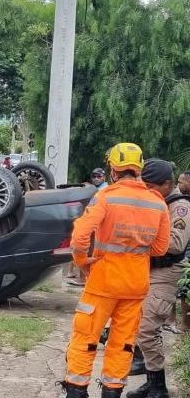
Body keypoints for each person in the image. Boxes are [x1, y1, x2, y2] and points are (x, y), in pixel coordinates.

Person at [61, 143, 170, 398]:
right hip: (136, 285)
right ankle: (112, 392)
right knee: (122, 344)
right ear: (139, 168)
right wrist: (135, 251)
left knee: (86, 337)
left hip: (103, 281)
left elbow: (79, 238)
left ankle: (76, 392)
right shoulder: (158, 202)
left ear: (113, 169)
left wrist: (81, 261)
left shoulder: (106, 196)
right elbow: (161, 248)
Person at [126, 159, 190, 398]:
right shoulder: (158, 200)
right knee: (142, 327)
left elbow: (175, 244)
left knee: (146, 328)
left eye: (151, 187)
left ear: (167, 184)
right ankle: (152, 381)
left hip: (168, 272)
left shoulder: (180, 206)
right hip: (151, 271)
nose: (147, 191)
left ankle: (158, 388)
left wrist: (139, 238)